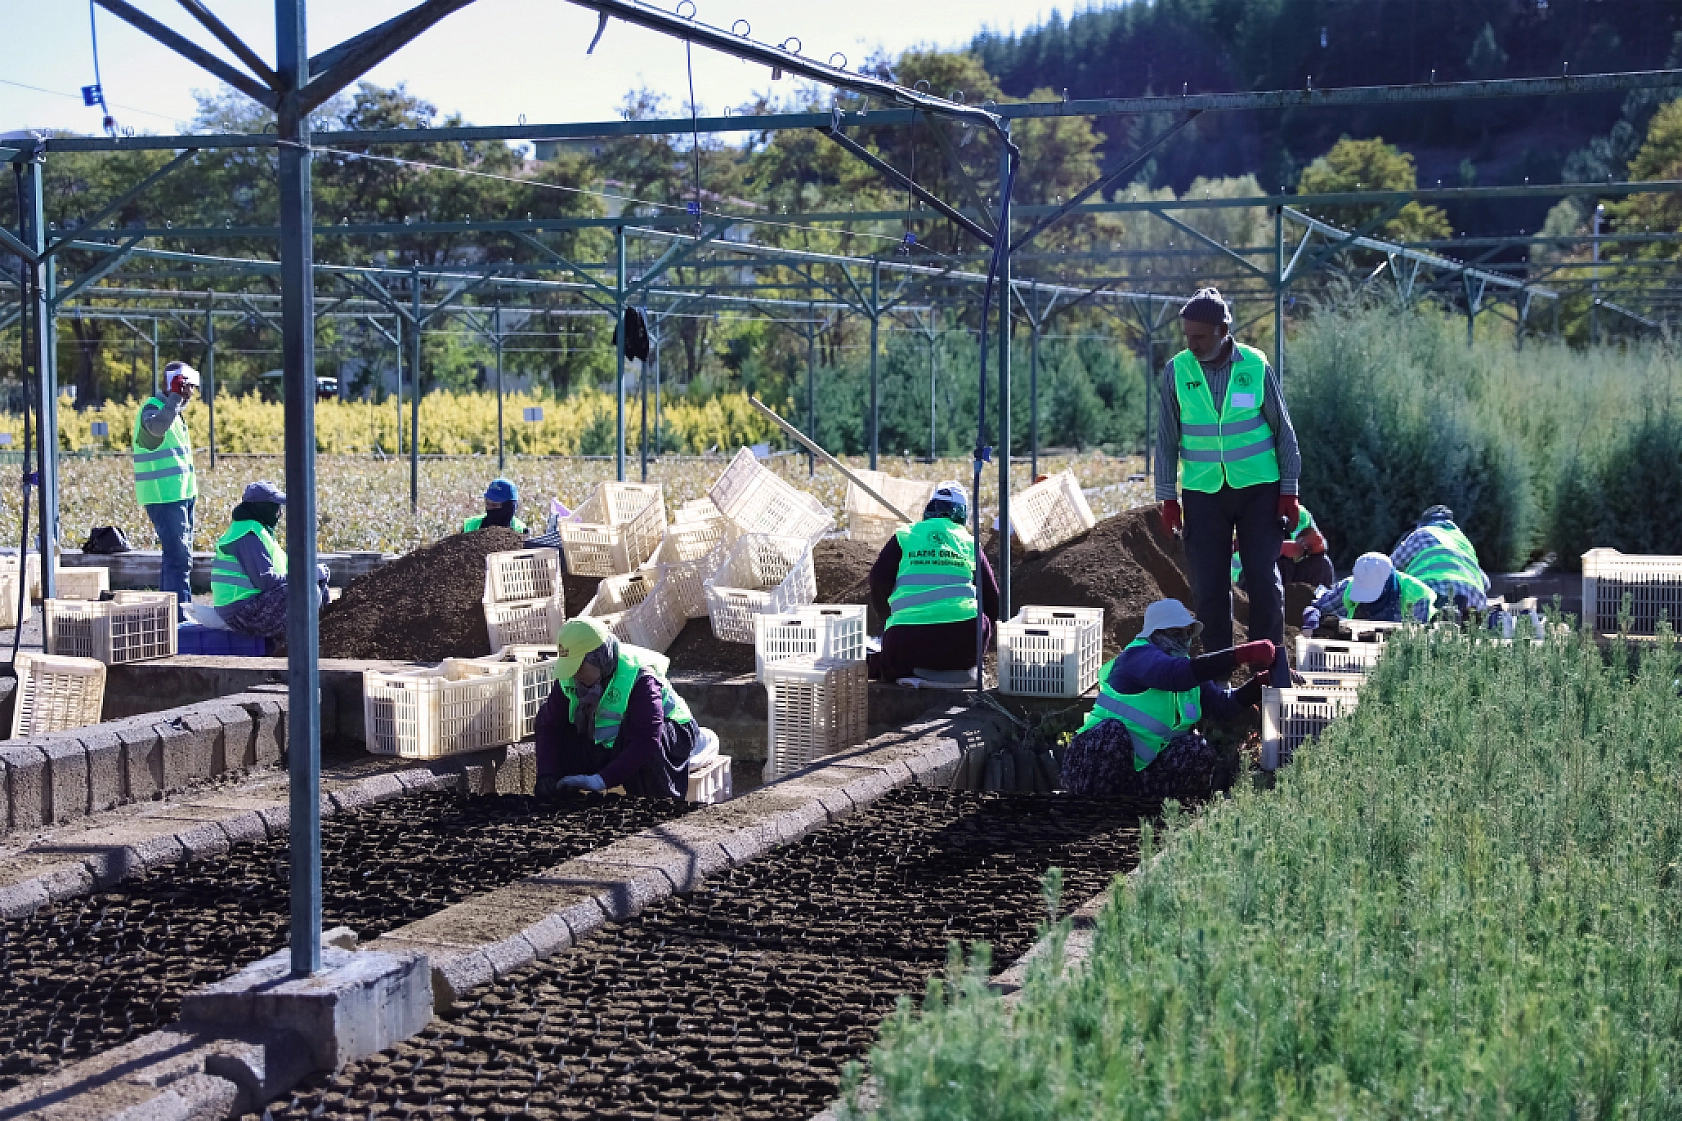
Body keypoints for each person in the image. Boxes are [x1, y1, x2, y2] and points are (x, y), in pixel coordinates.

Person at [1156, 287, 1303, 655]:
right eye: (1187, 336)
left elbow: (1283, 431)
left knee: (1262, 577)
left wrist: (1289, 490)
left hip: (1259, 490)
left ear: (1223, 331)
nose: (1192, 344)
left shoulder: (1255, 366)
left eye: (1200, 336)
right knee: (1209, 584)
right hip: (1203, 492)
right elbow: (1166, 439)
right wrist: (1167, 498)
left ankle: (1268, 662)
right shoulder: (1177, 371)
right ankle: (1218, 666)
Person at [1061, 599, 1279, 801]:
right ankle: (1093, 805)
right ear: (1155, 633)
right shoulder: (1137, 657)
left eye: (1188, 633)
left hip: (1140, 774)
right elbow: (1173, 675)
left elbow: (1222, 706)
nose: (1183, 639)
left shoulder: (1186, 669)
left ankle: (1149, 813)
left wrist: (1258, 684)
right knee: (1111, 734)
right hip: (1091, 765)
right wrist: (1240, 655)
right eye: (1176, 632)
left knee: (1196, 750)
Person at [534, 617, 708, 800]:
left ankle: (657, 803)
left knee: (643, 745)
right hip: (612, 740)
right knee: (552, 724)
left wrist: (602, 780)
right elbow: (549, 725)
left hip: (670, 733)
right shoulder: (570, 678)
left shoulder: (639, 676)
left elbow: (647, 739)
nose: (573, 674)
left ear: (598, 657)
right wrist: (547, 774)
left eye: (578, 665)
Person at [867, 482, 1000, 683]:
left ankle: (892, 666)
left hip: (906, 643)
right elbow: (992, 600)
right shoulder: (969, 542)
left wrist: (887, 618)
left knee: (889, 660)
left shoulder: (905, 535)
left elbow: (878, 579)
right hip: (963, 645)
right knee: (981, 621)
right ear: (962, 513)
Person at [210, 481, 331, 638]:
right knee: (307, 592)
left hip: (253, 603)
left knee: (316, 584)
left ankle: (324, 637)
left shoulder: (259, 531)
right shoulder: (248, 536)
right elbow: (266, 581)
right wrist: (307, 576)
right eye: (275, 507)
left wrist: (312, 574)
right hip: (241, 611)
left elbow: (284, 572)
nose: (279, 514)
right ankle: (301, 644)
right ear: (263, 507)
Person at [133, 361, 200, 606]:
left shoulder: (174, 413)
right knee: (178, 559)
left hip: (181, 496)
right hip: (164, 497)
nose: (191, 392)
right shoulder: (154, 409)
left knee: (178, 558)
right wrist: (174, 398)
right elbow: (156, 429)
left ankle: (172, 613)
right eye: (188, 387)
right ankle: (181, 617)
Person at [1390, 504, 1489, 613]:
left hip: (1433, 591)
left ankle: (1442, 613)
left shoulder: (1422, 534)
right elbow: (1486, 583)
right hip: (1475, 599)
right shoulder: (1464, 542)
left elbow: (1390, 566)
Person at [1303, 552, 1435, 631]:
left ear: (1386, 583)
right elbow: (1318, 607)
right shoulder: (1348, 587)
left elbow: (1417, 641)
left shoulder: (1417, 595)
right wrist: (1311, 619)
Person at [1230, 502, 1335, 591]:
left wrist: (1303, 546)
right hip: (1245, 580)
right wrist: (1281, 548)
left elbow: (1321, 545)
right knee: (1264, 566)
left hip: (1290, 571)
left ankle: (1319, 605)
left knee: (1321, 562)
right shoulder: (1244, 517)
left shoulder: (1297, 512)